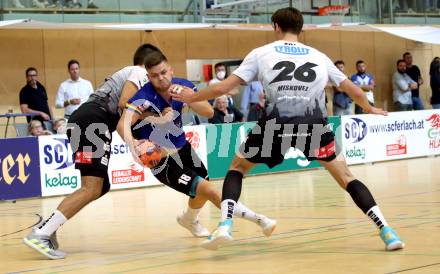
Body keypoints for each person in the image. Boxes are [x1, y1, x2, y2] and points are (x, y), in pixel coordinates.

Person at [172, 7, 404, 251]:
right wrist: (368, 109)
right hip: (314, 127)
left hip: (275, 126)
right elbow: (353, 89)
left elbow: (221, 89)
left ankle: (226, 225)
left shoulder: (261, 53)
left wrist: (192, 97)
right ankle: (386, 231)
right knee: (347, 178)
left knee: (238, 168)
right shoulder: (319, 56)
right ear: (301, 29)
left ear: (275, 26)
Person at [117, 51, 276, 240]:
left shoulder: (182, 86)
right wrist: (134, 144)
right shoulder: (144, 96)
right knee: (209, 190)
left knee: (201, 191)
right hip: (162, 161)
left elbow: (208, 112)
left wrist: (188, 98)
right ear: (148, 77)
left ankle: (188, 219)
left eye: (163, 72)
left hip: (185, 149)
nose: (161, 78)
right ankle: (260, 220)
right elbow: (122, 124)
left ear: (170, 70)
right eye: (154, 75)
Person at [23, 44, 162, 260]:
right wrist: (152, 114)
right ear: (149, 64)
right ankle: (41, 232)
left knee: (100, 186)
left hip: (87, 122)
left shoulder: (133, 80)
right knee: (91, 187)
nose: (159, 76)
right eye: (158, 70)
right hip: (92, 122)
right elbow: (126, 104)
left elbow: (120, 120)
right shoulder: (139, 72)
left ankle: (47, 227)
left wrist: (133, 143)